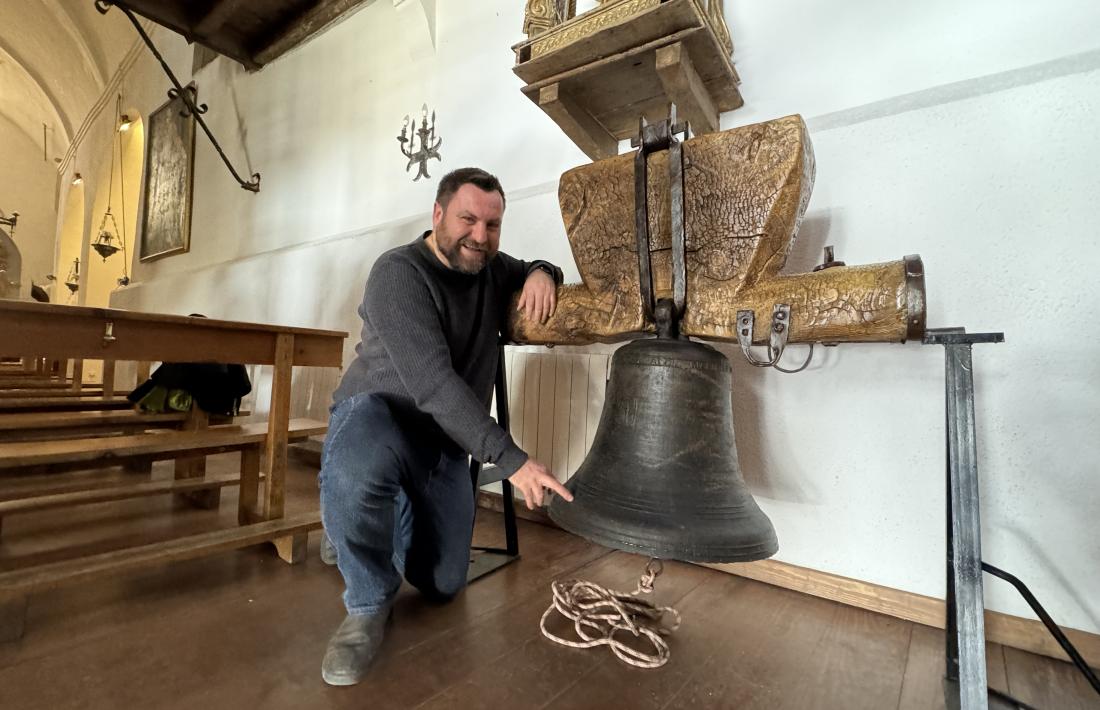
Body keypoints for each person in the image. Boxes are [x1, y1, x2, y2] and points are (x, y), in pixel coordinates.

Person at [319, 167, 574, 686]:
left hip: (440, 448)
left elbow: (527, 265)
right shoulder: (397, 273)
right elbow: (433, 384)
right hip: (378, 420)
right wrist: (514, 461)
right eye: (467, 219)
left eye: (493, 224)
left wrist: (544, 271)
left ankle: (368, 519)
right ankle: (366, 600)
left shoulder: (491, 267)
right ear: (438, 215)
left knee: (442, 584)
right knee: (358, 460)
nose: (480, 235)